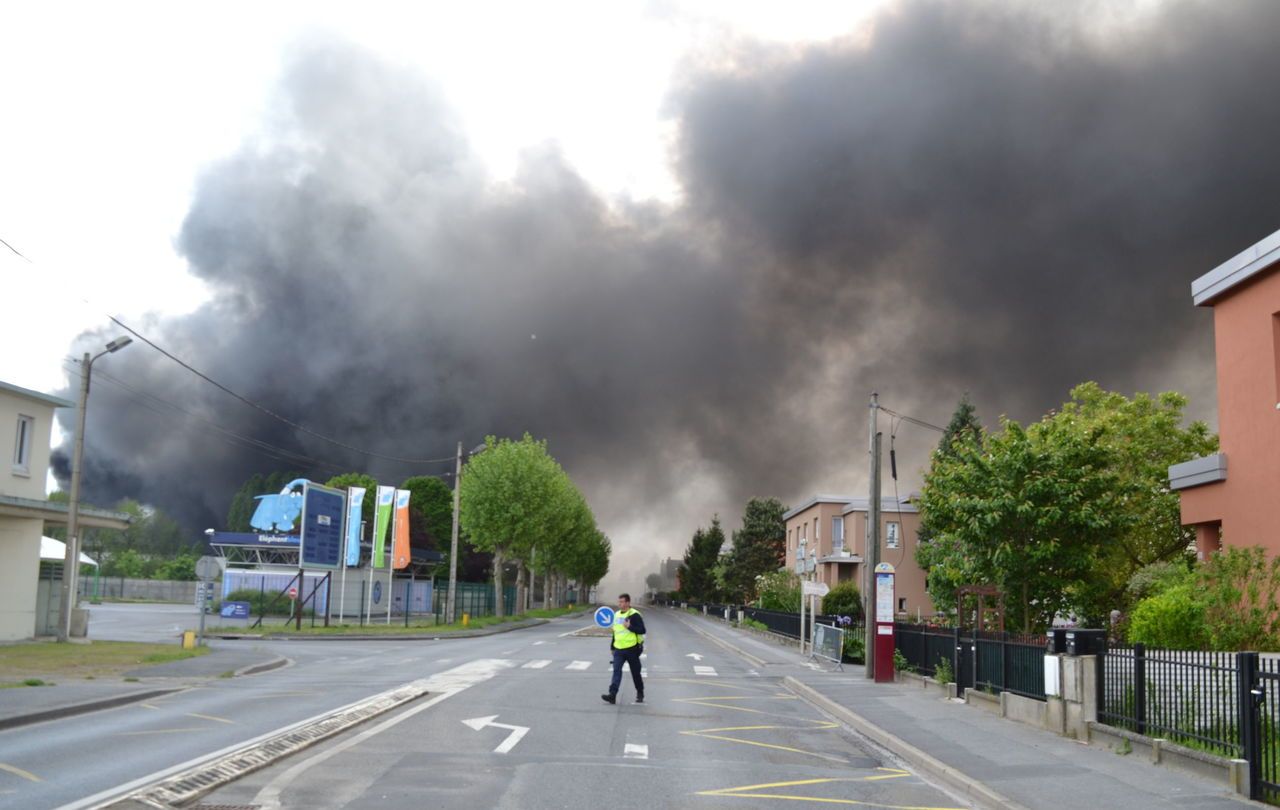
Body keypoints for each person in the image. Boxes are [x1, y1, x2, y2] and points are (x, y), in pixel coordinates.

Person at [601, 593, 645, 705]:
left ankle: (640, 692)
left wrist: (629, 627)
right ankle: (612, 695)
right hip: (619, 649)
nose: (619, 604)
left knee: (635, 673)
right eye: (619, 601)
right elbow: (615, 631)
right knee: (616, 671)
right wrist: (612, 646)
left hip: (632, 649)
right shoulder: (616, 615)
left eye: (622, 602)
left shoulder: (634, 615)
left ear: (628, 603)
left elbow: (642, 630)